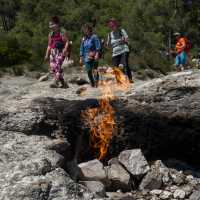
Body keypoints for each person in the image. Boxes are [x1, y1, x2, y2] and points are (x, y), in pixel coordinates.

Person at [45, 16, 69, 88]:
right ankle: (63, 83)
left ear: (57, 24)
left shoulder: (62, 32)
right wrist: (46, 54)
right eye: (49, 25)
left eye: (52, 24)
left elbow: (67, 42)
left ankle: (55, 82)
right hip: (53, 53)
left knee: (57, 66)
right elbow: (49, 45)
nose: (50, 26)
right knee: (53, 67)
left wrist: (65, 49)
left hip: (60, 52)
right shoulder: (50, 34)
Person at [106, 18, 133, 83]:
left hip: (124, 49)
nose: (111, 27)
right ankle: (119, 82)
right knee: (115, 67)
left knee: (124, 65)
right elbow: (108, 45)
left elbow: (127, 39)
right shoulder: (109, 34)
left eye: (113, 25)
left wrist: (124, 40)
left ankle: (129, 79)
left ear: (116, 24)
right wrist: (106, 44)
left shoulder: (121, 31)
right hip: (115, 52)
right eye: (110, 26)